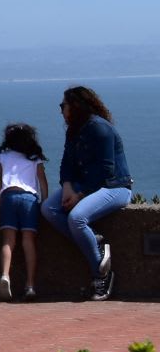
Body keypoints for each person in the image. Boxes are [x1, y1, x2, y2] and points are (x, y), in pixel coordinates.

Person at [40, 86, 132, 300]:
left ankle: (101, 274)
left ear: (76, 106)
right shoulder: (74, 130)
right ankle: (95, 242)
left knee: (77, 218)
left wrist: (79, 194)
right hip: (84, 186)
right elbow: (66, 164)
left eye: (64, 105)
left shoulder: (100, 129)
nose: (61, 110)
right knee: (48, 209)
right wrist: (67, 187)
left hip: (115, 187)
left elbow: (105, 170)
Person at [0, 122, 48, 300]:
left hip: (8, 196)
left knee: (8, 240)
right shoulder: (34, 157)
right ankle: (30, 285)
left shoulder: (3, 156)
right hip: (29, 199)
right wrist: (44, 201)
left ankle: (5, 275)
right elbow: (42, 181)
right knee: (28, 241)